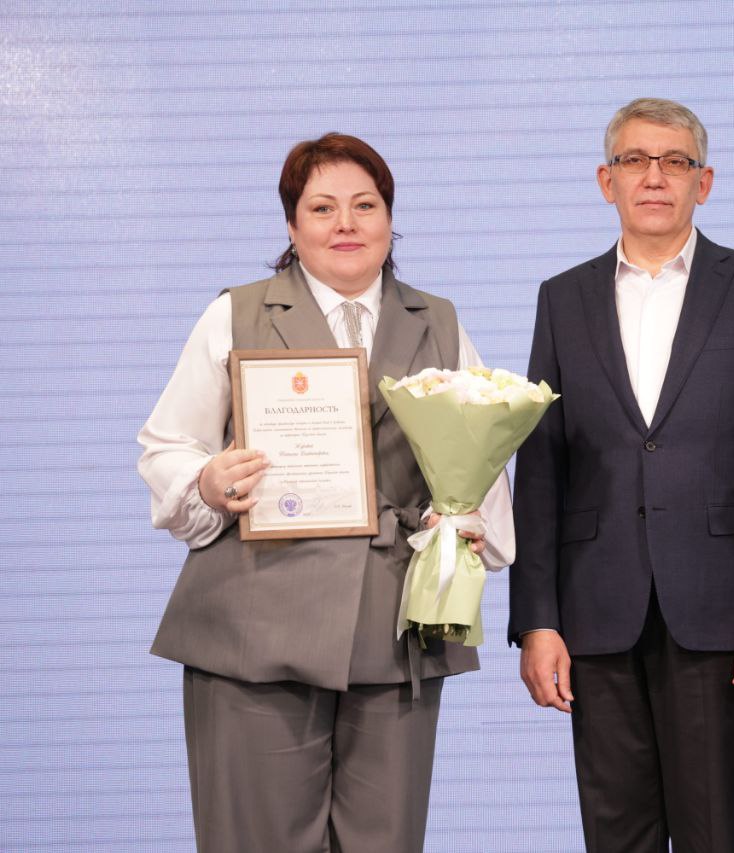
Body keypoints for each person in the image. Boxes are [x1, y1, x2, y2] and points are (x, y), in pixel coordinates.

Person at [138, 132, 514, 853]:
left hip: (395, 630)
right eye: (322, 208)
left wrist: (465, 522)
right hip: (251, 629)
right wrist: (207, 481)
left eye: (365, 206)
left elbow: (481, 453)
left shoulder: (439, 321)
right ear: (291, 226)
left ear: (390, 221)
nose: (346, 223)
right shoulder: (235, 314)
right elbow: (168, 445)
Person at [509, 98, 734, 852]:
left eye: (675, 161)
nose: (655, 176)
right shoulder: (562, 297)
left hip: (724, 616)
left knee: (714, 834)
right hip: (596, 614)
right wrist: (537, 621)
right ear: (606, 180)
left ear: (703, 183)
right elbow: (541, 469)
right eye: (635, 161)